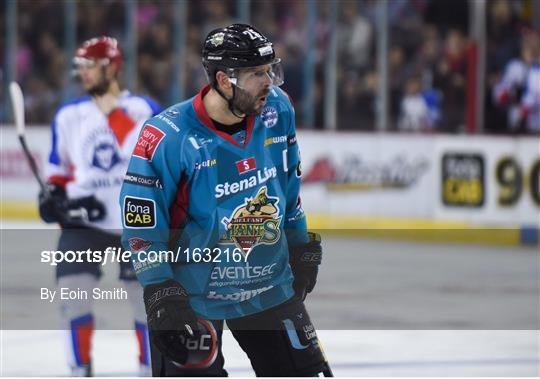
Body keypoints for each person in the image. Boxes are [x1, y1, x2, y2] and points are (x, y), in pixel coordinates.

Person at [120, 24, 332, 376]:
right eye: (256, 74)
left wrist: (299, 243)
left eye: (270, 71)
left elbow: (287, 185)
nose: (269, 83)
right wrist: (158, 287)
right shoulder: (168, 136)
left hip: (268, 284)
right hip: (194, 295)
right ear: (223, 79)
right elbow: (141, 219)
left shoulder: (277, 110)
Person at [39, 36, 161, 376]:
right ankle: (80, 369)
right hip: (84, 226)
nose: (85, 73)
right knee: (72, 296)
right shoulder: (68, 115)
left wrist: (110, 110)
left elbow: (156, 159)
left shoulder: (144, 109)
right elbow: (58, 171)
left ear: (113, 66)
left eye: (92, 66)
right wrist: (52, 198)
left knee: (144, 306)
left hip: (137, 223)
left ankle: (149, 369)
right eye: (82, 67)